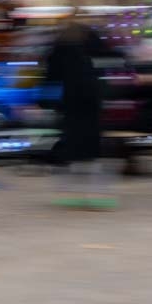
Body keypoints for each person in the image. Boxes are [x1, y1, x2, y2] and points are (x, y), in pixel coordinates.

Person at [43, 16, 114, 209]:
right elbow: (109, 62)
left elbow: (50, 75)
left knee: (70, 145)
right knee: (92, 147)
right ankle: (99, 192)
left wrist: (45, 102)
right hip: (91, 99)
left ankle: (67, 191)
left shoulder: (59, 45)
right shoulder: (92, 41)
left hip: (70, 100)